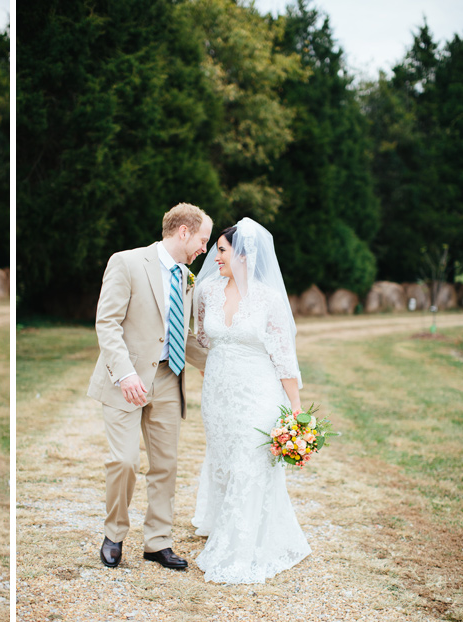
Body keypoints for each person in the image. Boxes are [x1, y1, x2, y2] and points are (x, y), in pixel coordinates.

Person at [88, 203, 211, 570]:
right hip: (125, 378)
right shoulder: (126, 263)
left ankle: (158, 542)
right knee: (124, 461)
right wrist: (125, 374)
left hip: (169, 378)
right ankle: (114, 534)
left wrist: (223, 364)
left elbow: (180, 335)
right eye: (202, 240)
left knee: (166, 465)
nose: (204, 249)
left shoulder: (187, 277)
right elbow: (106, 323)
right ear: (184, 232)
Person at [191, 217, 311, 583]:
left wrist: (296, 407)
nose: (215, 257)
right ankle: (225, 523)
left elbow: (283, 358)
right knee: (225, 459)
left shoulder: (269, 300)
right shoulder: (207, 292)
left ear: (243, 255)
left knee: (249, 461)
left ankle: (239, 547)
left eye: (222, 251)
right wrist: (213, 373)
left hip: (257, 392)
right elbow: (201, 338)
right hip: (217, 394)